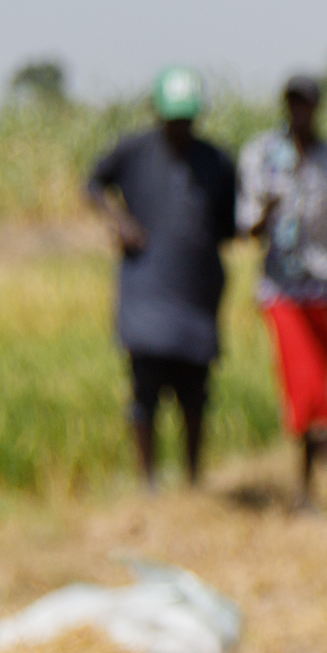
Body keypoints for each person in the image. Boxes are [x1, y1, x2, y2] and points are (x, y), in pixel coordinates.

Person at [83, 65, 238, 491]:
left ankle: (193, 480)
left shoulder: (217, 161)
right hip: (145, 292)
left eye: (187, 120)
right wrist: (120, 222)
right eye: (173, 120)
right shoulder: (132, 152)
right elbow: (92, 183)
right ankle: (147, 482)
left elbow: (228, 226)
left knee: (195, 395)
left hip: (195, 293)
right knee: (145, 394)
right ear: (157, 113)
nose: (181, 128)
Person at [238, 73, 327, 510]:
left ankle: (324, 488)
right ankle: (316, 488)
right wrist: (269, 207)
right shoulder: (263, 157)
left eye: (308, 104)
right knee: (306, 391)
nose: (300, 113)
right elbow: (247, 227)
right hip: (284, 289)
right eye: (293, 104)